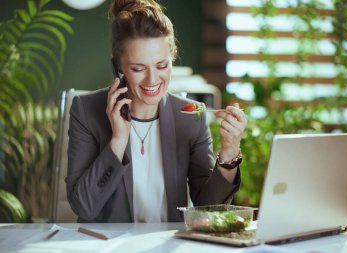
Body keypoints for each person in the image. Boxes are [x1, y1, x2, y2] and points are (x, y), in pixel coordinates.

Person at [66, 0, 247, 223]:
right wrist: (118, 140)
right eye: (138, 68)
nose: (153, 80)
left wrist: (229, 153)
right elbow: (84, 207)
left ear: (173, 58)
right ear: (118, 68)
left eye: (162, 65)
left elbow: (207, 209)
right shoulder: (86, 111)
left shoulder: (190, 117)